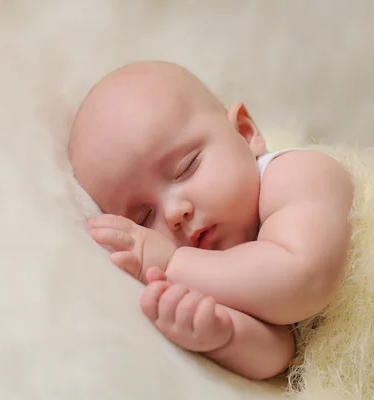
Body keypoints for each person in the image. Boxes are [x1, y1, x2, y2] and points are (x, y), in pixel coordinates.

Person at [68, 61, 353, 380]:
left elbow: (304, 282)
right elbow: (280, 354)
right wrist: (222, 334)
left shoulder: (296, 173)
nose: (175, 213)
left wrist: (173, 261)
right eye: (144, 218)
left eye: (186, 168)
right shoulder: (213, 268)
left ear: (245, 133)